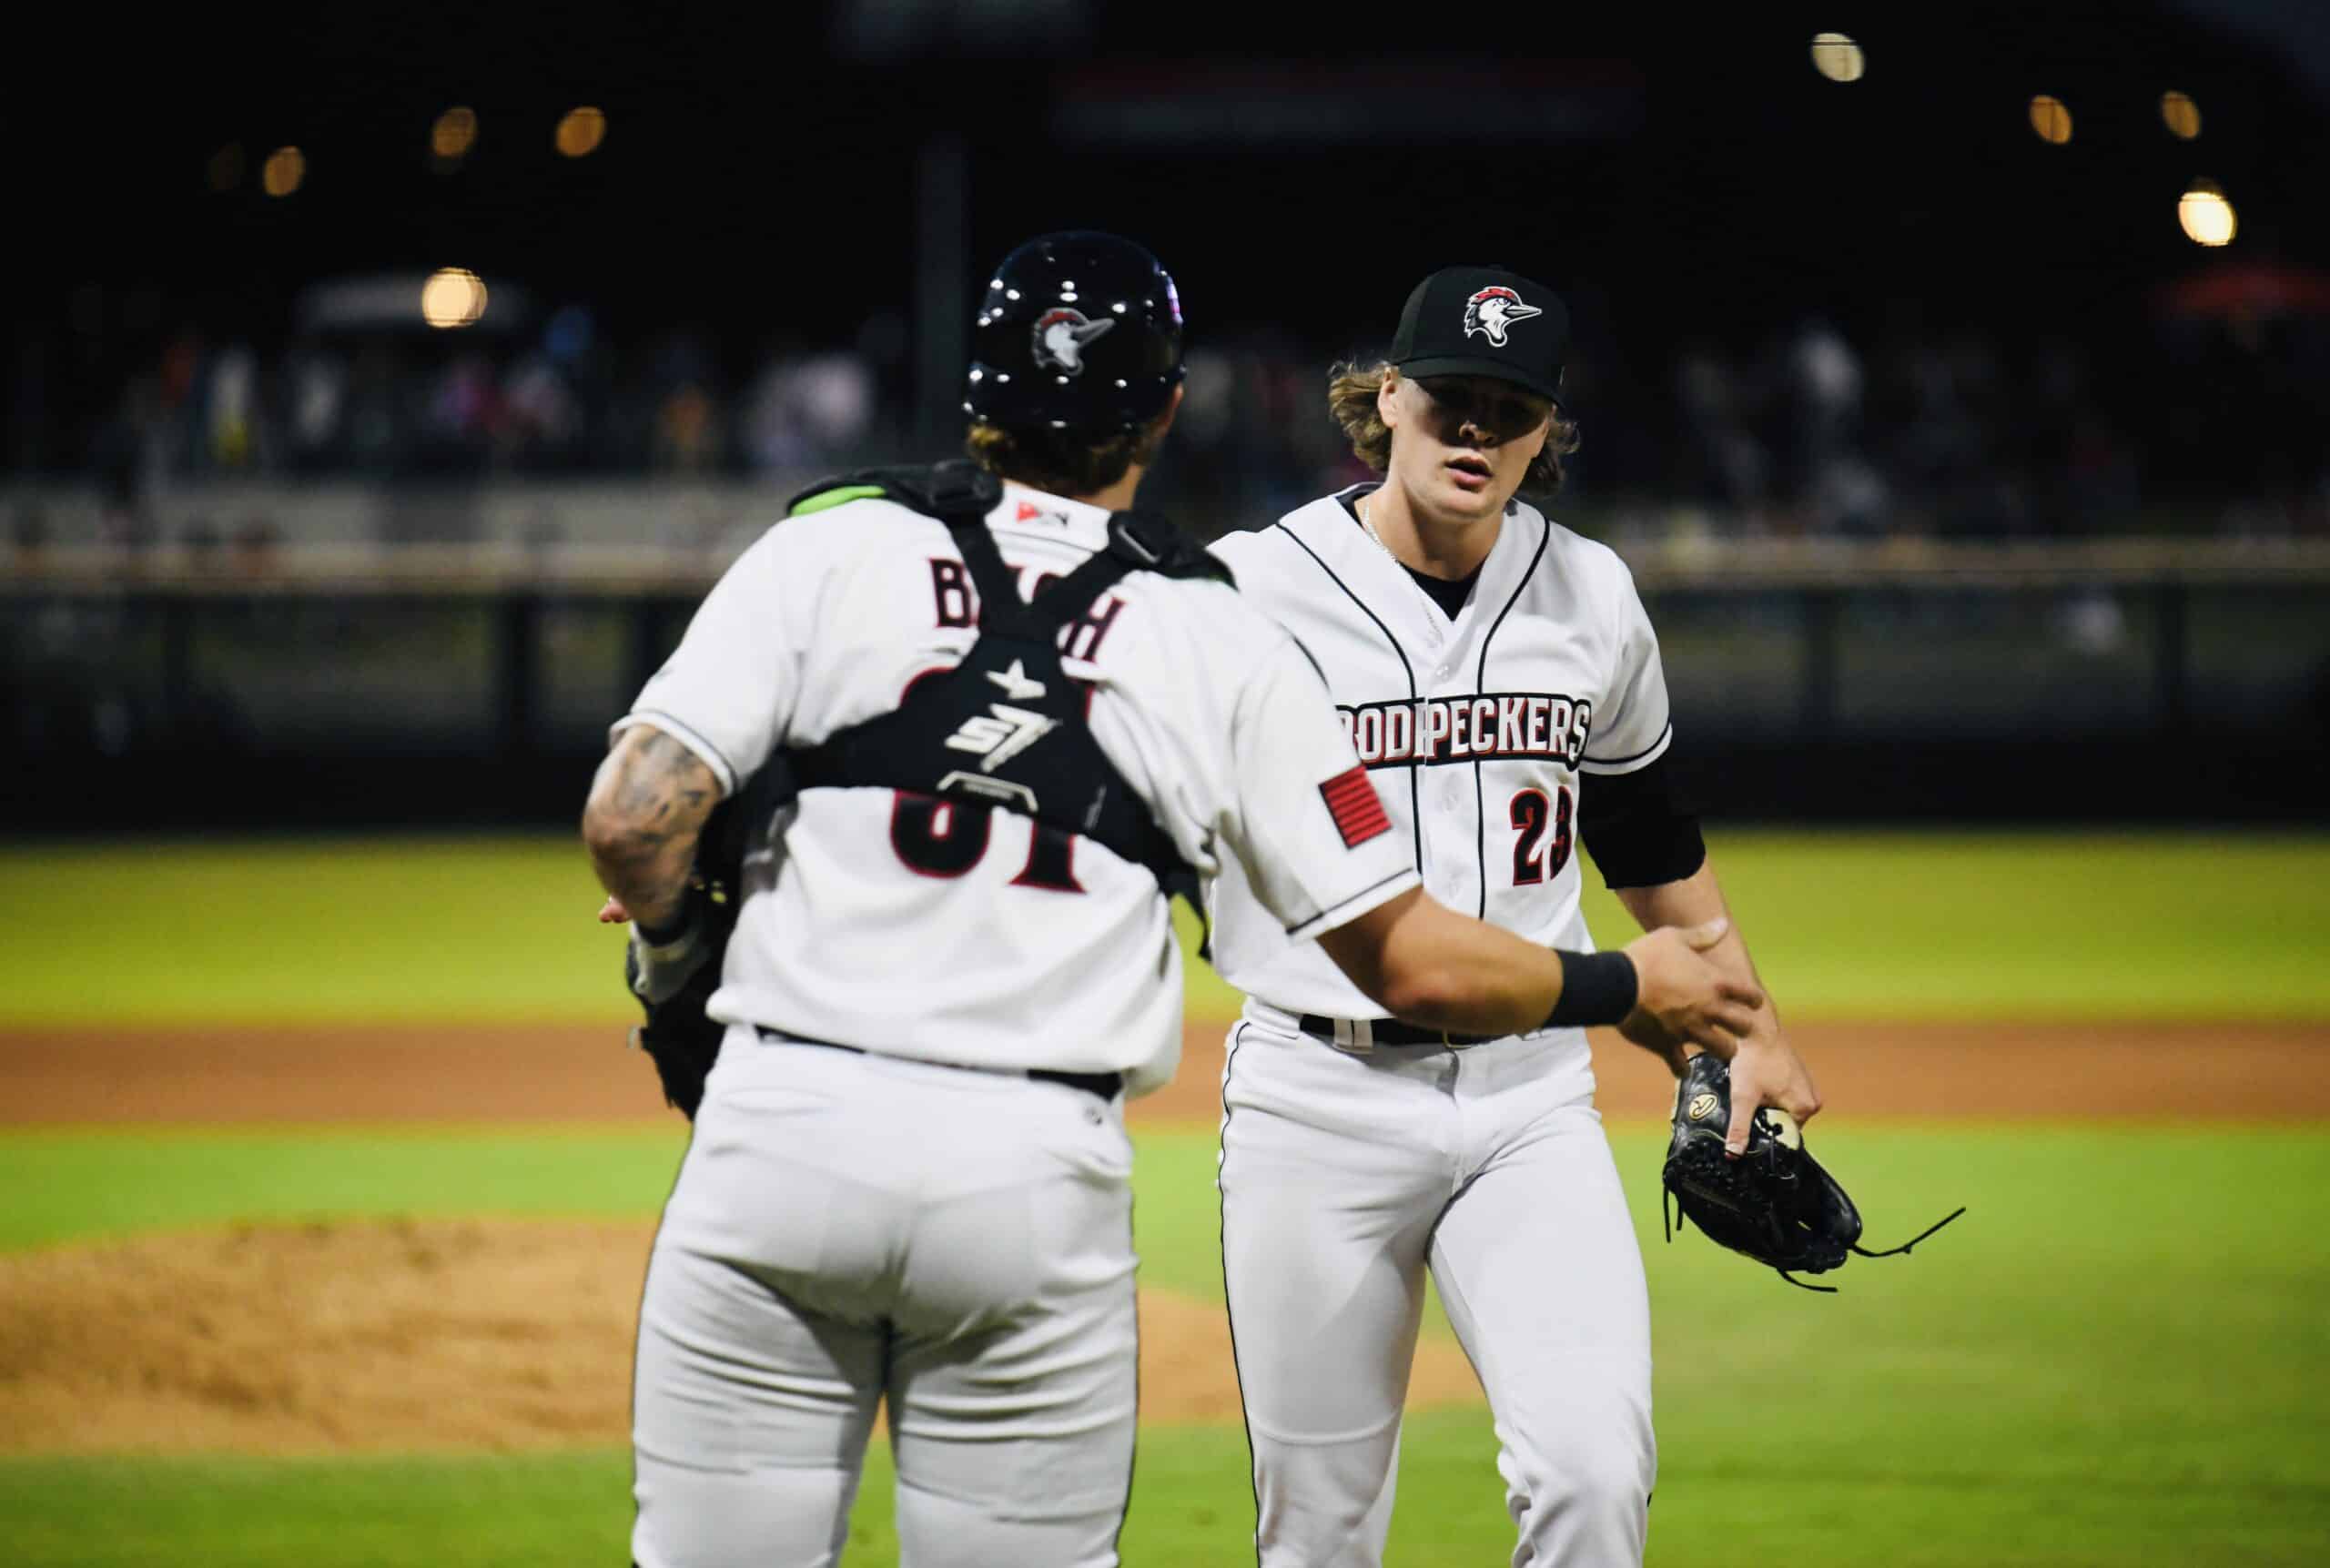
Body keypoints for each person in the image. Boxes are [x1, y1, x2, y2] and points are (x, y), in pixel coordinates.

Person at [582, 234, 1761, 1568]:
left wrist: (682, 968)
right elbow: (1405, 955)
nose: (1476, 428)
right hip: (1051, 1160)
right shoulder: (1209, 618)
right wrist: (1631, 984)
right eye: (1446, 397)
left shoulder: (830, 544)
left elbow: (634, 816)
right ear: (1168, 409)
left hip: (777, 1132)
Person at [1204, 265, 1825, 1567]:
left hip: (1529, 1098)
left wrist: (1748, 1028)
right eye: (1452, 400)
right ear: (1385, 400)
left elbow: (1653, 848)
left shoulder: (1590, 594)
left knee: (1594, 1482)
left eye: (1512, 407)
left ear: (1548, 431)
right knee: (1316, 1535)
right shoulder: (1253, 591)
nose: (1477, 431)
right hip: (1318, 1097)